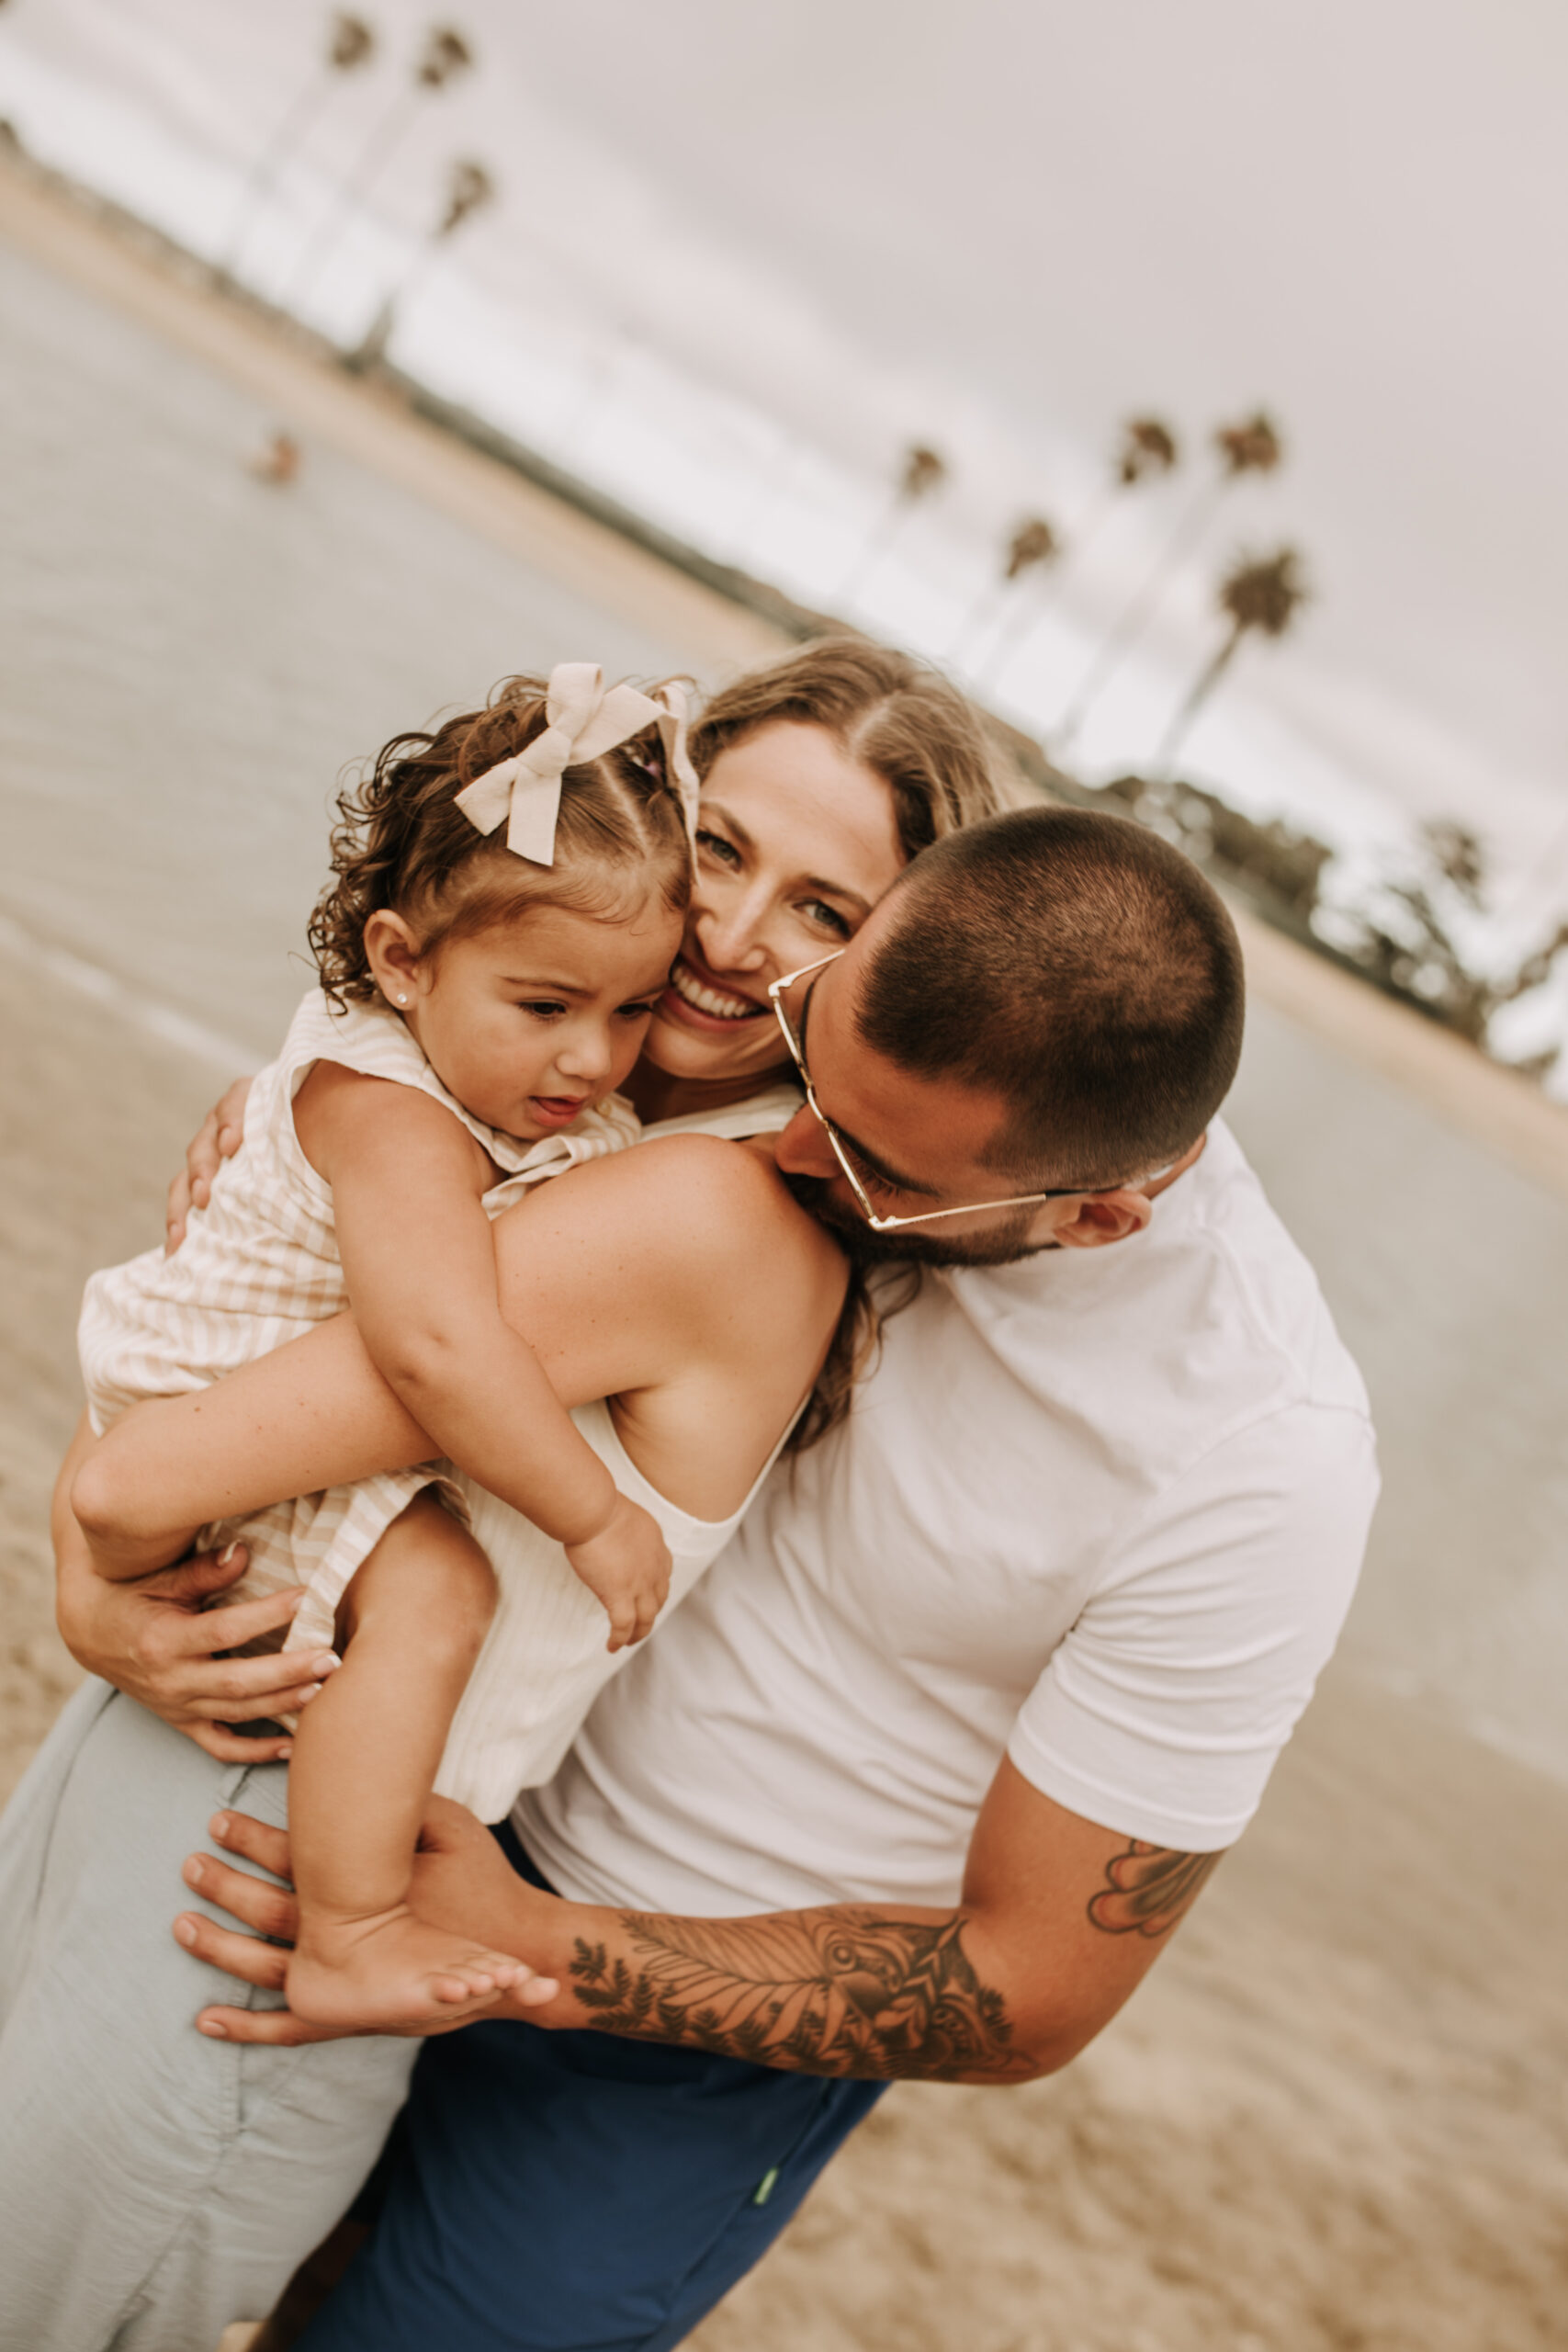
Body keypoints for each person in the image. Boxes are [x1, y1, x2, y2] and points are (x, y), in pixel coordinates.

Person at [99, 802, 1372, 2350]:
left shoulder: (1256, 1462)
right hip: (416, 1809)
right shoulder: (825, 1061)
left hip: (657, 2056)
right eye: (806, 1052)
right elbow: (442, 1065)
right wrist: (289, 1130)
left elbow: (1034, 1984)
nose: (788, 1140)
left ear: (1098, 1215)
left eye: (868, 1166)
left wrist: (529, 1947)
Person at [0, 639, 998, 2352]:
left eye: (830, 912)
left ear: (900, 964)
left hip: (255, 1865)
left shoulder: (699, 1212)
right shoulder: (506, 1118)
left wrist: (102, 1554)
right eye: (725, 848)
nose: (736, 935)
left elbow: (151, 1473)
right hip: (173, 1760)